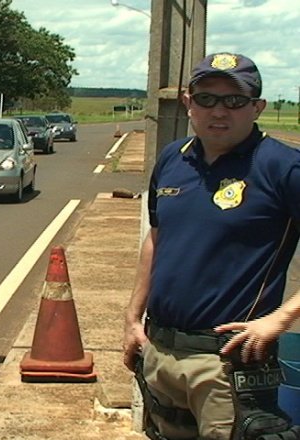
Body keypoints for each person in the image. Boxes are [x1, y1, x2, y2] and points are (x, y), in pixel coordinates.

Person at [122, 52, 300, 440]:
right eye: (207, 98)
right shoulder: (173, 158)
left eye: (234, 101)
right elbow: (156, 239)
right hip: (161, 350)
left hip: (227, 364)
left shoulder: (282, 167)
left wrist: (281, 319)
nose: (219, 110)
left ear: (257, 107)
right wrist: (133, 319)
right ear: (189, 103)